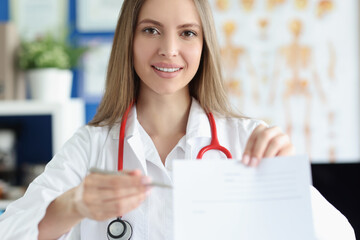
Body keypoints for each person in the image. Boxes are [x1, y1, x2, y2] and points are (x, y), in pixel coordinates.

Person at [0, 0, 355, 239]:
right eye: (151, 30)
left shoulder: (247, 140)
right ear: (129, 40)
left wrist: (287, 181)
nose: (169, 49)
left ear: (204, 45)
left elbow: (340, 234)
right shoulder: (90, 146)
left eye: (187, 32)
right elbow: (10, 231)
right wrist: (73, 206)